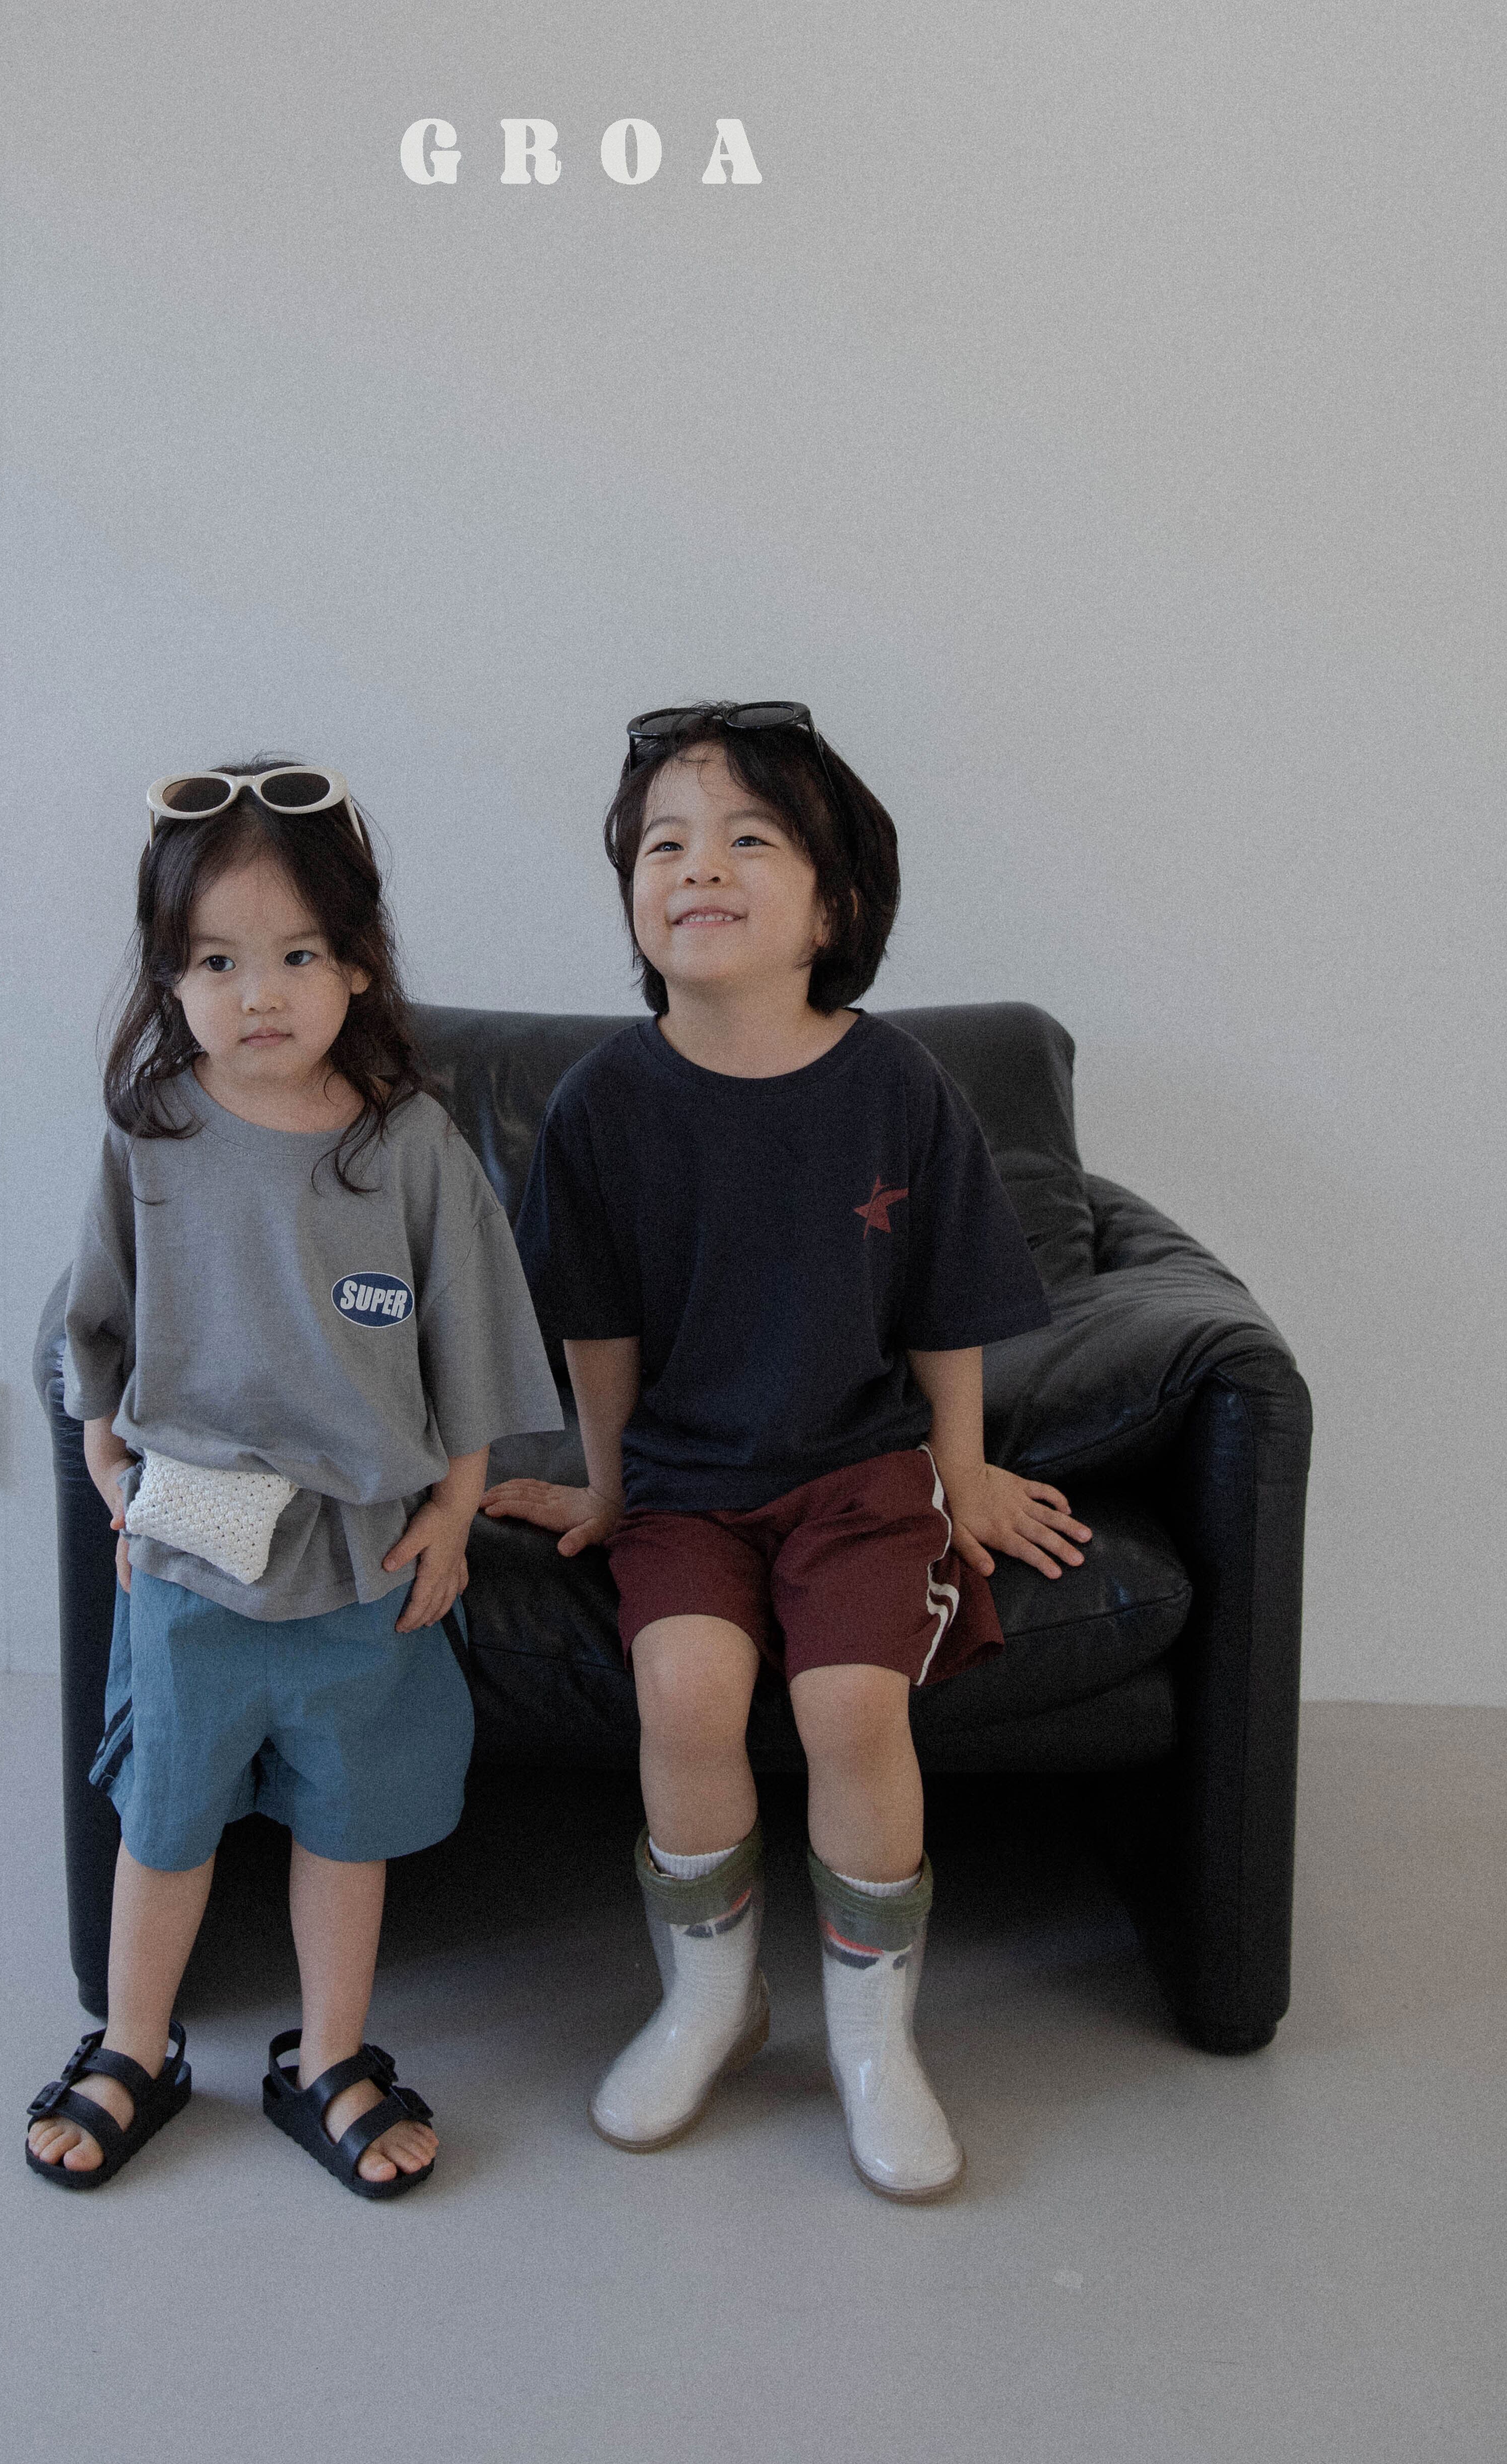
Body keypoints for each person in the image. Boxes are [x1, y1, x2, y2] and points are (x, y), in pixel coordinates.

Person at [482, 702, 1090, 2199]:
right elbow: (598, 1332)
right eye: (665, 843)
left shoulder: (900, 1088)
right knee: (685, 1695)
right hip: (687, 1486)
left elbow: (948, 1309)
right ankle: (712, 2000)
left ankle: (874, 2038)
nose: (699, 865)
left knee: (851, 1710)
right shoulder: (602, 1105)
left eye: (749, 838)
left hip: (861, 1477)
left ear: (836, 905)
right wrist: (610, 1486)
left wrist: (962, 1474)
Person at [26, 757, 561, 2197]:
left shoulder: (410, 1146)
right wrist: (108, 1462)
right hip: (189, 1560)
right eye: (216, 961)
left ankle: (327, 2057)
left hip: (365, 1562)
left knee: (347, 1823)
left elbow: (471, 1344)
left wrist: (455, 1510)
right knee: (165, 1819)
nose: (257, 993)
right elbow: (96, 1322)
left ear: (360, 962)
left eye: (298, 955)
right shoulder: (150, 1135)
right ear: (168, 973)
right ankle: (133, 2045)